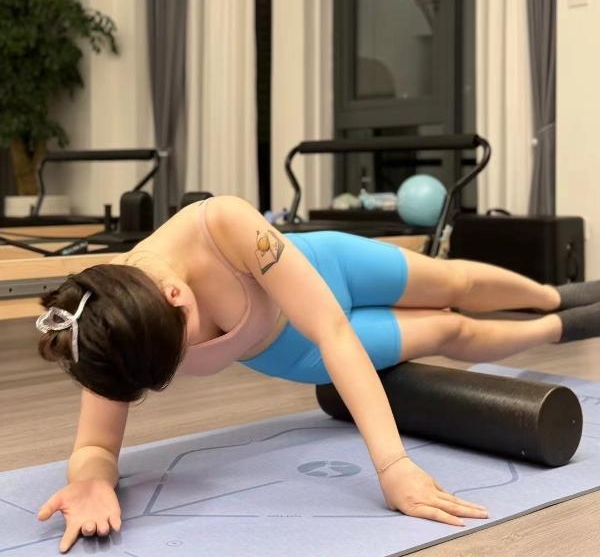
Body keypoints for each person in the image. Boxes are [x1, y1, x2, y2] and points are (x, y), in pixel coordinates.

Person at [35, 195, 600, 553]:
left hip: (328, 270)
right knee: (453, 329)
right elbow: (95, 445)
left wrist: (393, 465)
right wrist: (91, 480)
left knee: (454, 283)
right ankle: (558, 327)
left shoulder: (223, 225)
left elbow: (334, 330)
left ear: (176, 296)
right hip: (296, 352)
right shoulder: (111, 327)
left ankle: (553, 296)